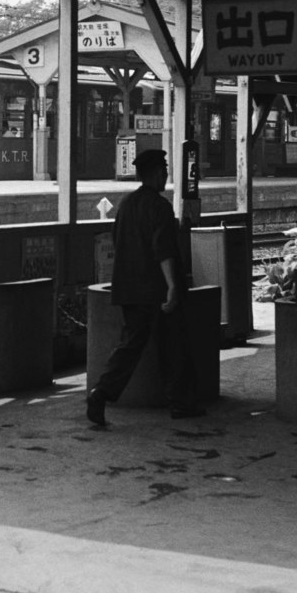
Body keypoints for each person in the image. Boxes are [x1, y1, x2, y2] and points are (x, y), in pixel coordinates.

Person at [86, 149, 204, 426]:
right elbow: (162, 250)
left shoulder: (126, 203)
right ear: (155, 174)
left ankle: (102, 392)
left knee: (130, 344)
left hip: (129, 289)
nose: (166, 174)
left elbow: (118, 241)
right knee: (174, 345)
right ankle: (181, 403)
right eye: (163, 170)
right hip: (157, 290)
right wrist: (173, 286)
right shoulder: (160, 207)